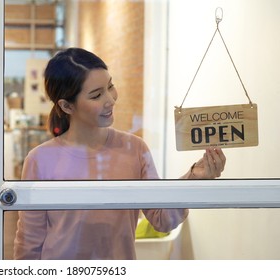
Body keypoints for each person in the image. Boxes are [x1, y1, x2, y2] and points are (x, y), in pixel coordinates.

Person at [13, 48, 226, 260]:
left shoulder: (135, 149)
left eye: (110, 86)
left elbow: (163, 220)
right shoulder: (40, 159)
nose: (111, 99)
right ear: (67, 106)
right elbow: (29, 243)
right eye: (96, 95)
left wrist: (193, 179)